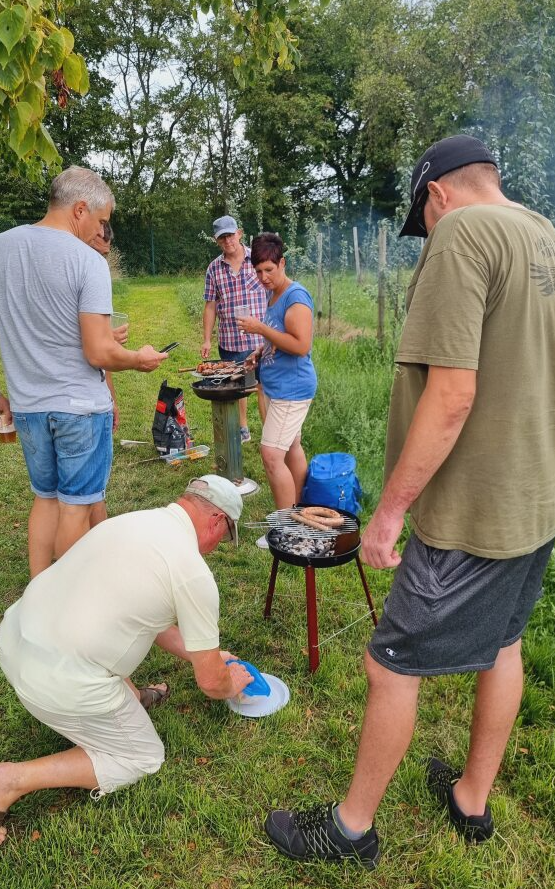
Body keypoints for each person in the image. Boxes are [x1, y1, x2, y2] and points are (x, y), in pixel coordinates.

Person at [263, 134, 555, 867]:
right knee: (504, 644)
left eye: (420, 221)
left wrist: (389, 512)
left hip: (471, 511)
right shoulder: (543, 234)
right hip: (536, 497)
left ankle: (349, 830)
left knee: (390, 663)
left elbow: (451, 395)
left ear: (437, 194)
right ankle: (470, 800)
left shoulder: (462, 232)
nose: (425, 235)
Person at [0, 475, 254, 845]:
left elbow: (149, 617)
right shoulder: (191, 572)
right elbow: (212, 684)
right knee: (143, 758)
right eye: (225, 537)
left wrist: (209, 654)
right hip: (54, 682)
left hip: (16, 641)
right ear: (218, 521)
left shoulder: (134, 522)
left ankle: (130, 700)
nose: (217, 547)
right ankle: (12, 780)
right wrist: (231, 682)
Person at [0, 166, 168, 578]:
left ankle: (39, 594)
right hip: (79, 408)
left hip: (28, 406)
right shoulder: (87, 261)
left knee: (45, 500)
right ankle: (68, 602)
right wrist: (139, 358)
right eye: (102, 219)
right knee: (75, 509)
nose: (102, 230)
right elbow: (98, 352)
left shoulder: (4, 246)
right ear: (80, 210)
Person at [238, 233, 317, 549]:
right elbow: (279, 338)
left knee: (271, 455)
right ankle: (301, 511)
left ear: (282, 263)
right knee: (292, 447)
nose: (263, 277)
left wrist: (260, 329)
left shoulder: (295, 298)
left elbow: (301, 345)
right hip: (277, 385)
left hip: (292, 390)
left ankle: (287, 529)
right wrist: (260, 351)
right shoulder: (273, 295)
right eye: (258, 271)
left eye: (269, 270)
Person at [202, 215, 267, 442]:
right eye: (222, 238)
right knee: (238, 386)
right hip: (231, 340)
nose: (227, 241)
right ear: (216, 240)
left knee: (263, 386)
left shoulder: (257, 259)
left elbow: (272, 291)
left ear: (239, 233)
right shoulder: (214, 268)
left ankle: (269, 432)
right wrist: (207, 339)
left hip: (261, 339)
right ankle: (243, 427)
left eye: (230, 235)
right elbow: (210, 305)